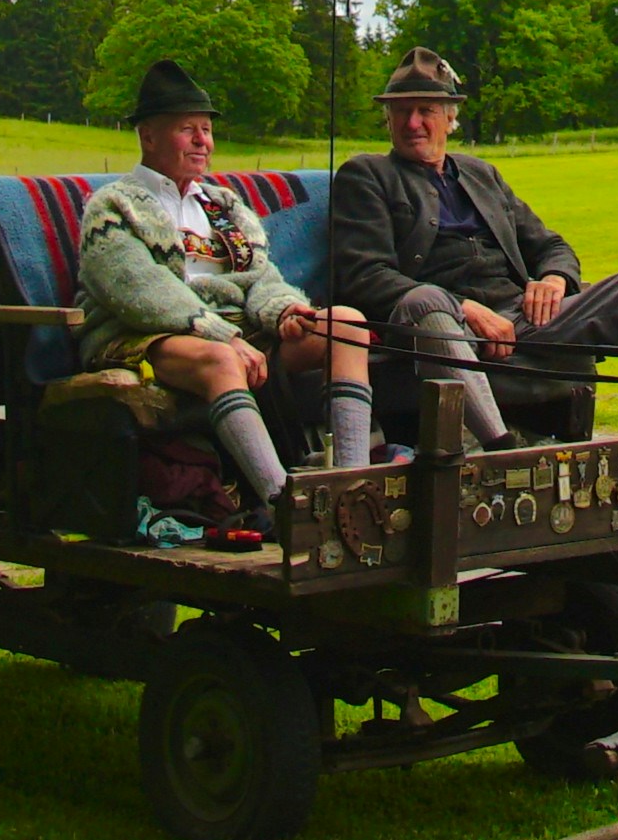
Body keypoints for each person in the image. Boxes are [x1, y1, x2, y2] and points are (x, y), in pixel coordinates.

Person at [318, 51, 618, 444]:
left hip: (523, 321)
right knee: (427, 301)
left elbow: (550, 245)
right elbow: (362, 275)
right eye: (401, 112)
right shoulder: (366, 175)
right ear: (387, 120)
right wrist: (464, 308)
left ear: (449, 118)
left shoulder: (482, 175)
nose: (413, 123)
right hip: (439, 327)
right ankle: (500, 444)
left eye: (425, 111)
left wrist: (554, 279)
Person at [75, 59, 389, 530]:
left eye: (207, 129)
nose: (205, 142)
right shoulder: (114, 206)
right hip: (140, 337)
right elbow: (140, 291)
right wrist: (221, 334)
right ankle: (286, 506)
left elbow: (259, 274)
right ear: (148, 136)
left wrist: (283, 309)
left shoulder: (221, 204)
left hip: (236, 332)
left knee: (345, 324)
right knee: (223, 361)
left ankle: (349, 484)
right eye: (189, 130)